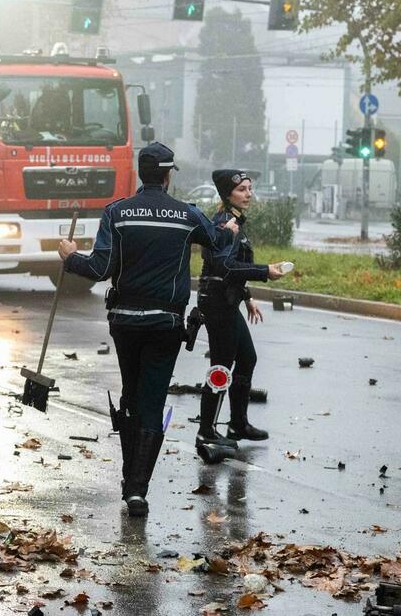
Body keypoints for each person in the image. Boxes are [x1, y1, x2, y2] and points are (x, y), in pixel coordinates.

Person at [58, 142, 239, 517]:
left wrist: (70, 256)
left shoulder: (117, 213)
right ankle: (137, 490)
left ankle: (130, 480)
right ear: (168, 175)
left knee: (131, 396)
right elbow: (217, 241)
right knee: (152, 402)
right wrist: (230, 229)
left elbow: (99, 269)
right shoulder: (186, 215)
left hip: (124, 323)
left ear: (142, 173)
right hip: (165, 324)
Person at [195, 170, 285, 450]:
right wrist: (264, 271)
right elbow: (224, 267)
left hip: (227, 299)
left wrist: (247, 297)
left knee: (247, 358)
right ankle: (206, 430)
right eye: (242, 189)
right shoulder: (225, 223)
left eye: (249, 188)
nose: (248, 194)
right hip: (217, 303)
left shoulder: (234, 220)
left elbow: (232, 267)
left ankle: (238, 423)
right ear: (228, 194)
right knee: (221, 366)